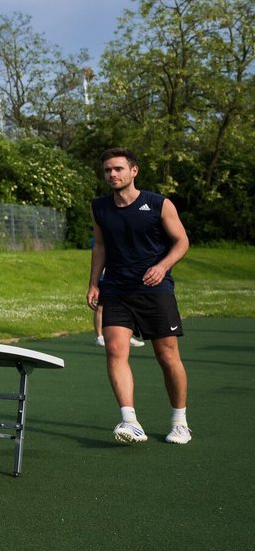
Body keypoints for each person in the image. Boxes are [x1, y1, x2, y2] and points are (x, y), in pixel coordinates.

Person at [87, 148, 191, 445]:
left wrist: (162, 266)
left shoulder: (159, 204)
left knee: (167, 356)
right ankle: (130, 421)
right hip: (117, 289)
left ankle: (180, 422)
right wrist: (94, 282)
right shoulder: (99, 208)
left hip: (154, 289)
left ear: (134, 171)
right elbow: (100, 247)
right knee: (115, 350)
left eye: (118, 169)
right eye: (107, 170)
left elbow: (182, 241)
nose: (112, 175)